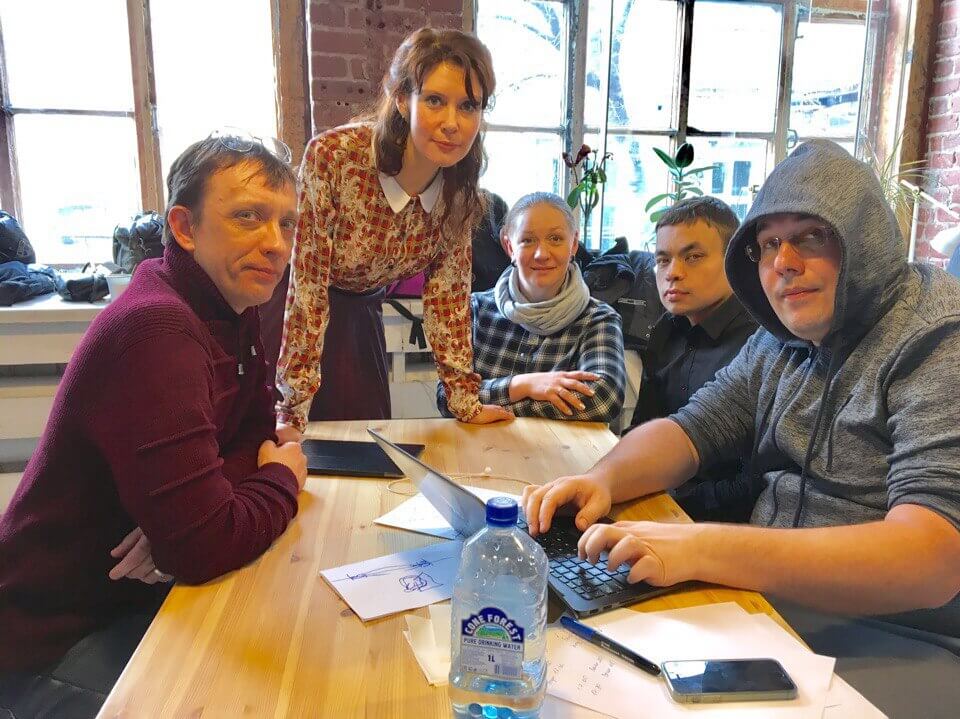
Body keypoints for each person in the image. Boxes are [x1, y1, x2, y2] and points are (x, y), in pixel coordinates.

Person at [522, 140, 960, 716]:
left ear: (866, 240)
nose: (783, 263)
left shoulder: (936, 336)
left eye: (810, 236)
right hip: (765, 607)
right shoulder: (780, 337)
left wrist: (703, 548)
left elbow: (931, 560)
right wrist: (602, 480)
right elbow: (691, 429)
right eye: (769, 244)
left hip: (901, 636)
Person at [0, 133, 308, 718]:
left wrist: (194, 515)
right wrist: (282, 479)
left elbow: (252, 436)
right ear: (185, 228)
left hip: (137, 598)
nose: (275, 244)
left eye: (287, 224)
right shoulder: (157, 329)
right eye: (248, 217)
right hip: (49, 643)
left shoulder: (232, 304)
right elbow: (208, 543)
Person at [275, 27, 512, 441]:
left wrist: (465, 402)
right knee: (284, 443)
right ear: (403, 99)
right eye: (435, 100)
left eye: (468, 105)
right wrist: (290, 408)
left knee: (365, 444)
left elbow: (449, 300)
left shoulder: (459, 194)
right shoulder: (335, 157)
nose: (452, 123)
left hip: (361, 312)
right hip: (289, 309)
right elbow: (308, 287)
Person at [438, 192, 625, 423]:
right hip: (482, 446)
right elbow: (447, 397)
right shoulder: (474, 310)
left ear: (574, 244)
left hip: (557, 447)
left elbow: (603, 400)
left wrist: (485, 405)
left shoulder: (598, 319)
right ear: (509, 246)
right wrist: (522, 385)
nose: (541, 254)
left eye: (555, 238)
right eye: (527, 240)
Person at [630, 196, 757, 521]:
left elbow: (755, 481)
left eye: (693, 257)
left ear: (734, 259)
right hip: (657, 503)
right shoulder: (666, 330)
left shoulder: (760, 345)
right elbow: (644, 427)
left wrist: (667, 499)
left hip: (727, 526)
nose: (673, 273)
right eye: (663, 260)